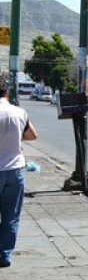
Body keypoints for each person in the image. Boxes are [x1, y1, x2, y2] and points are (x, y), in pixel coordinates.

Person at [0, 78, 37, 268]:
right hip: (15, 169)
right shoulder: (19, 112)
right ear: (6, 93)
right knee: (11, 215)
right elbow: (32, 135)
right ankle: (4, 255)